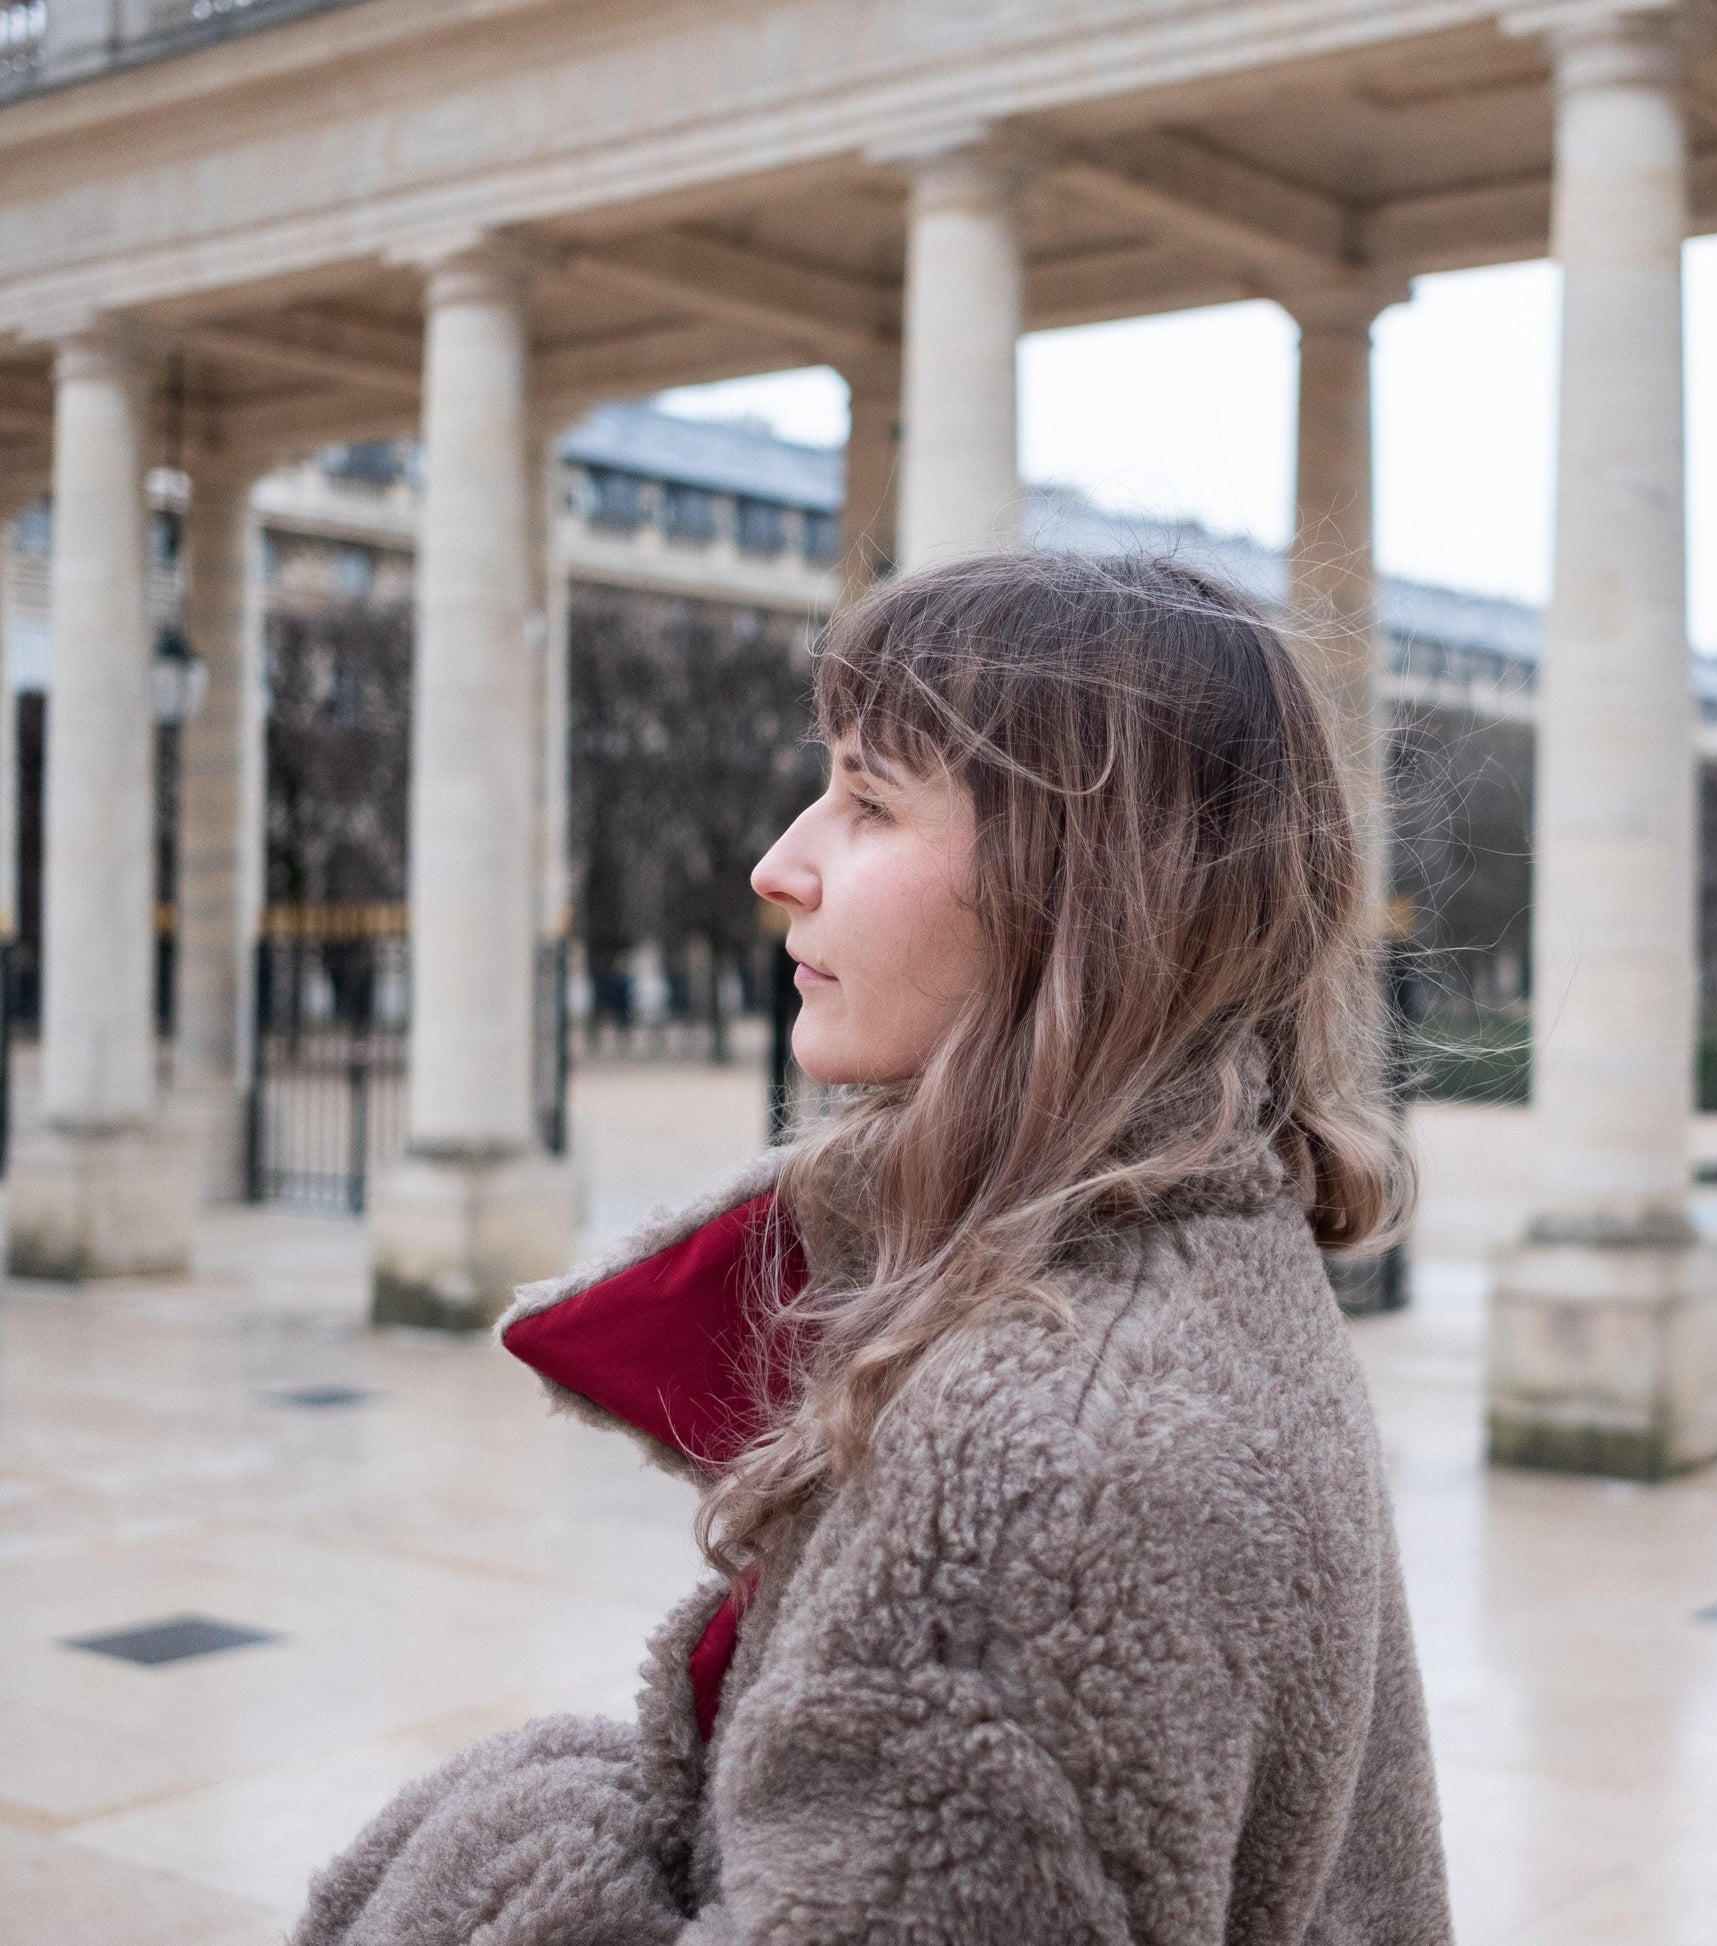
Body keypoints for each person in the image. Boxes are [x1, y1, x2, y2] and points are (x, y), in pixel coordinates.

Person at [295, 552, 1453, 1946]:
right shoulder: (1205, 1271)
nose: (778, 864)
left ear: (1074, 887)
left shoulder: (1041, 1478)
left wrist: (509, 1833)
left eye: (867, 799)